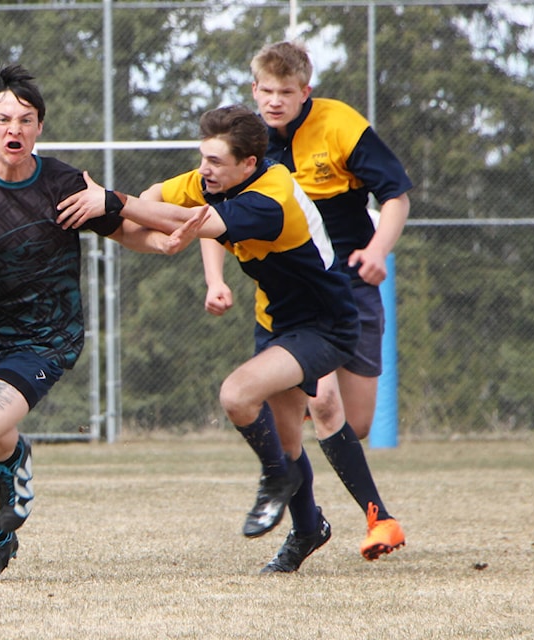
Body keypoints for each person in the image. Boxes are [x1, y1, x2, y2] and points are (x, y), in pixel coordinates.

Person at [0, 64, 206, 582]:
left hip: (43, 338)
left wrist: (163, 242)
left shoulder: (62, 183)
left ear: (39, 127)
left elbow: (125, 229)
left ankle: (14, 455)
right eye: (3, 119)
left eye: (26, 119)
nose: (14, 128)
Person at [58, 104, 361, 574]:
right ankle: (307, 530)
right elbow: (156, 199)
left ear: (249, 164)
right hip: (283, 323)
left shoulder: (271, 196)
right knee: (288, 439)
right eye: (203, 157)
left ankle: (274, 480)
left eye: (215, 161)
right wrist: (119, 221)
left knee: (237, 395)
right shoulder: (214, 178)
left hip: (328, 326)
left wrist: (113, 201)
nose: (204, 169)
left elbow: (202, 222)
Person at [221, 40, 411, 561]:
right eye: (267, 90)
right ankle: (369, 520)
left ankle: (313, 511)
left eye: (288, 92)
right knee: (320, 402)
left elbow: (395, 195)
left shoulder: (338, 125)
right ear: (253, 89)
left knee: (356, 421)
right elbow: (210, 211)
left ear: (307, 91)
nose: (276, 101)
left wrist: (377, 250)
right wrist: (215, 279)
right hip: (291, 301)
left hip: (350, 283)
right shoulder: (245, 141)